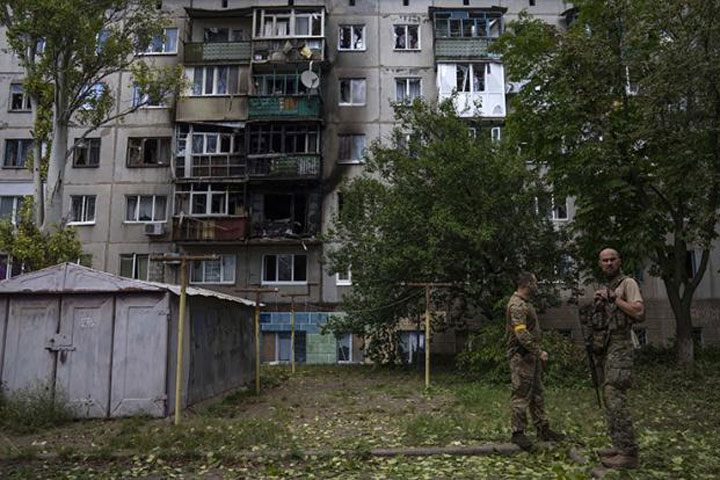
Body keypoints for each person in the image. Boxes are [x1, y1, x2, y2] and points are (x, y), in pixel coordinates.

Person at [590, 248, 645, 469]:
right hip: (607, 346)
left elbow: (639, 313)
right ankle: (618, 446)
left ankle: (628, 453)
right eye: (605, 260)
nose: (609, 263)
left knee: (615, 394)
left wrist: (614, 299)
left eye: (613, 259)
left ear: (619, 261)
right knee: (608, 395)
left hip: (621, 347)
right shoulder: (607, 287)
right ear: (600, 263)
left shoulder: (628, 283)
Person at [506, 272, 564, 450]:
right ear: (528, 284)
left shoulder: (526, 303)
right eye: (535, 282)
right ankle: (518, 433)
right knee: (521, 393)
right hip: (521, 355)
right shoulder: (517, 305)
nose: (537, 285)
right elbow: (521, 333)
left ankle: (542, 429)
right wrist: (539, 351)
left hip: (530, 356)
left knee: (537, 392)